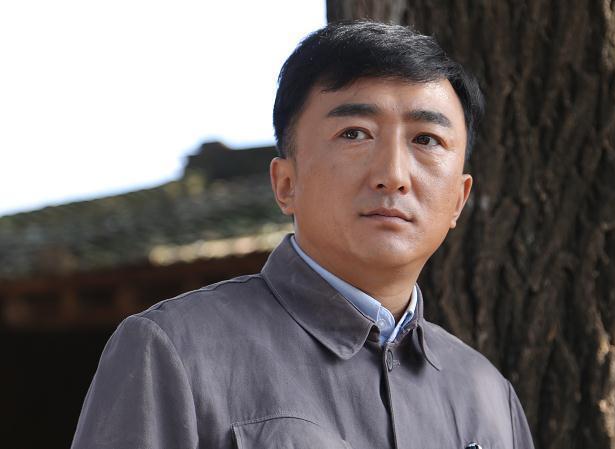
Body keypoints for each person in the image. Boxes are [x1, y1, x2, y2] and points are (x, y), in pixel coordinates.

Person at [71, 20, 535, 449]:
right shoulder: (173, 350)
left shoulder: (490, 399)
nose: (393, 175)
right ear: (285, 184)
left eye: (426, 139)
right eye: (355, 133)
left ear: (458, 199)